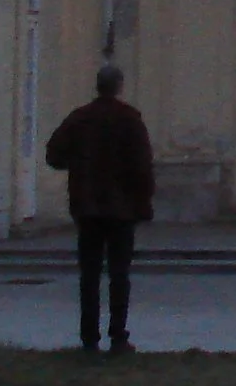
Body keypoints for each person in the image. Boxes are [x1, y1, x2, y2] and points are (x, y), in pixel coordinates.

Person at [44, 61, 156, 353]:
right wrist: (143, 203)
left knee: (89, 275)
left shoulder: (80, 119)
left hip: (88, 207)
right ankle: (118, 335)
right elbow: (143, 166)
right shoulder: (130, 120)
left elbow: (54, 155)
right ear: (119, 87)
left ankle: (89, 336)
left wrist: (79, 165)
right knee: (119, 274)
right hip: (121, 210)